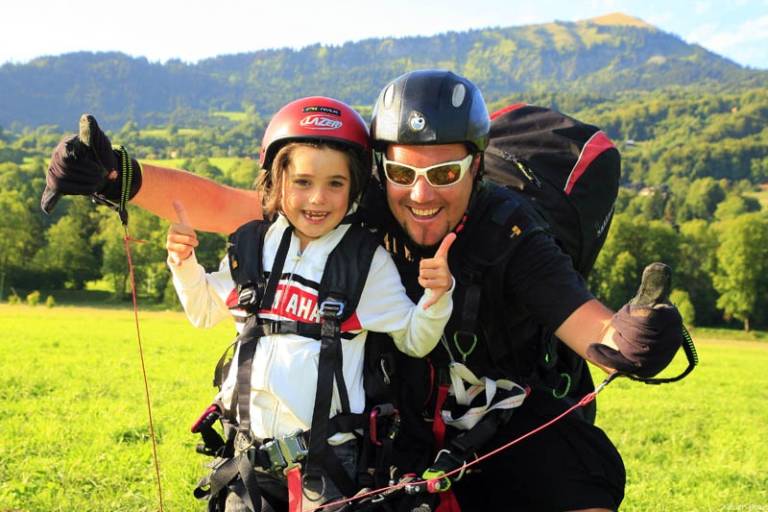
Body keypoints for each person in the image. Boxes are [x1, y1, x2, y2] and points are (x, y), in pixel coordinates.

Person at [42, 70, 685, 512]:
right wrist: (121, 175)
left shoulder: (510, 232)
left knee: (573, 482)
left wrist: (629, 337)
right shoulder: (367, 206)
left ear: (477, 166)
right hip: (408, 422)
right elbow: (241, 207)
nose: (421, 192)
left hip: (518, 418)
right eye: (402, 171)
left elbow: (585, 322)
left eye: (445, 172)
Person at [166, 96, 455, 510]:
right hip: (246, 458)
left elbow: (414, 339)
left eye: (335, 184)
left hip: (327, 463)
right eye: (303, 182)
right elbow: (204, 311)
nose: (318, 199)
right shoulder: (252, 245)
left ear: (354, 187)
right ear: (276, 181)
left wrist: (436, 296)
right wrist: (183, 263)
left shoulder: (363, 261)